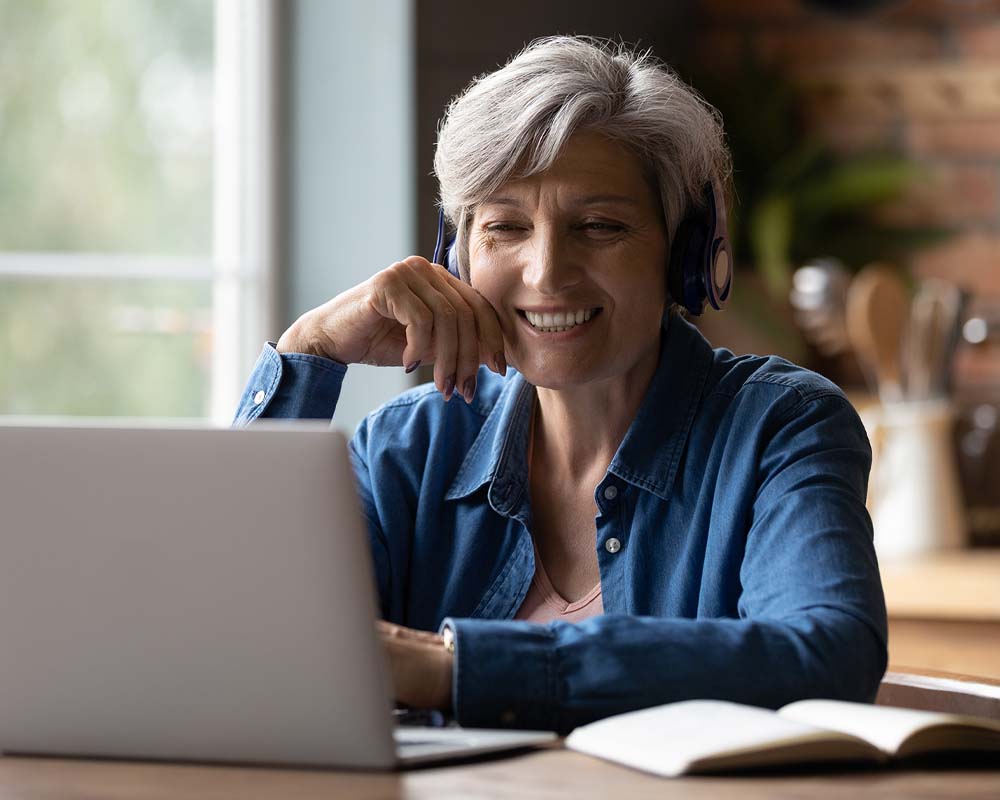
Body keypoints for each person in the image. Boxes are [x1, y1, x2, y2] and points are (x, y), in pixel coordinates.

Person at [233, 36, 887, 734]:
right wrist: (311, 352)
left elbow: (826, 652)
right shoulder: (408, 447)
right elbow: (232, 636)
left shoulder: (782, 425)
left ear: (686, 255)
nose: (547, 272)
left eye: (599, 226)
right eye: (505, 227)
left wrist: (457, 668)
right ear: (455, 257)